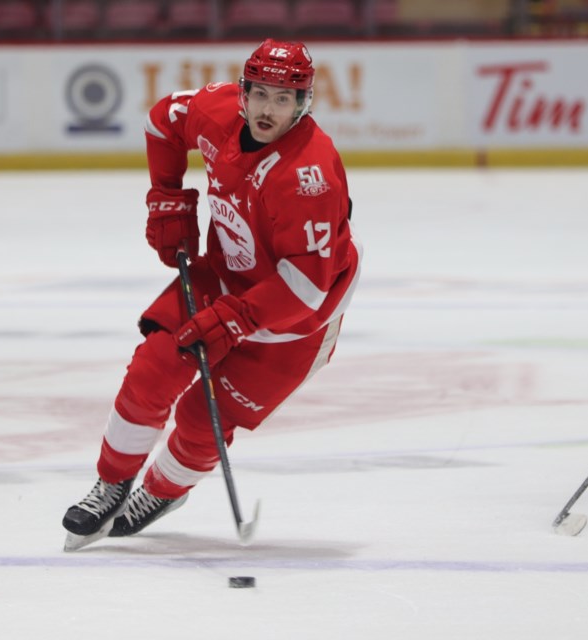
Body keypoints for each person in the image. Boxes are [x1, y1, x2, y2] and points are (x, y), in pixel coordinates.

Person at [61, 39, 362, 550]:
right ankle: (112, 482)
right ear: (243, 91)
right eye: (260, 93)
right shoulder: (217, 110)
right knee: (155, 365)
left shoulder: (309, 175)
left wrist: (236, 319)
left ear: (304, 104)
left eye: (284, 99)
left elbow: (308, 287)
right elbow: (162, 121)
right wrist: (168, 198)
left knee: (205, 418)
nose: (268, 110)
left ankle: (161, 491)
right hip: (226, 273)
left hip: (294, 319)